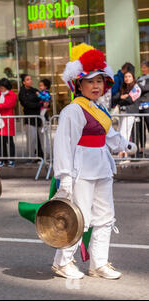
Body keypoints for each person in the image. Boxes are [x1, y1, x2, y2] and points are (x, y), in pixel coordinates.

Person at [53, 43, 137, 280]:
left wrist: (126, 145)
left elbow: (109, 136)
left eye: (100, 80)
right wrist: (65, 178)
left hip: (101, 166)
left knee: (105, 216)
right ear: (79, 84)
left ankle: (98, 263)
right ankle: (62, 262)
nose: (96, 85)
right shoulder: (73, 110)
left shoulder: (98, 108)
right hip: (81, 169)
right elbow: (63, 146)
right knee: (79, 216)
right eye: (90, 81)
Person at [112, 71, 141, 159]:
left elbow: (130, 100)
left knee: (124, 132)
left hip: (130, 113)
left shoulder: (136, 87)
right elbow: (115, 99)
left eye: (129, 76)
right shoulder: (123, 87)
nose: (127, 78)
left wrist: (122, 98)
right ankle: (123, 152)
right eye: (125, 77)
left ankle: (124, 153)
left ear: (133, 78)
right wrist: (121, 97)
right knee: (121, 132)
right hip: (122, 113)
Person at [136, 61, 149, 151]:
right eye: (142, 67)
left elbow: (145, 88)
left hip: (147, 106)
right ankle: (142, 147)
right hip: (139, 106)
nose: (143, 69)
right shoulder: (139, 78)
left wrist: (137, 85)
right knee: (140, 128)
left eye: (145, 67)